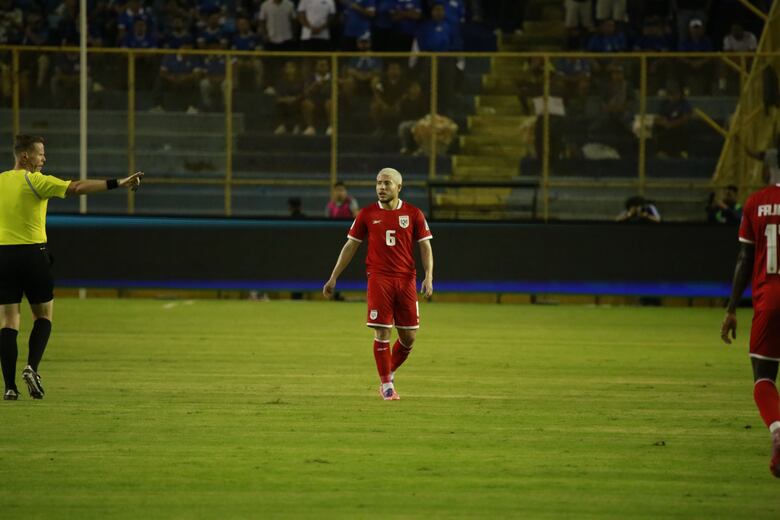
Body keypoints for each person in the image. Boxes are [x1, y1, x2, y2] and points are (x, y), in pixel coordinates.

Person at [0, 135, 143, 401]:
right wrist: (118, 182)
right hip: (33, 254)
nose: (44, 158)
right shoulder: (36, 181)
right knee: (43, 317)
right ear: (25, 157)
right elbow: (76, 187)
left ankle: (9, 387)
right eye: (40, 154)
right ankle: (32, 367)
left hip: (3, 256)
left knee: (8, 322)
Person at [323, 167, 433, 400]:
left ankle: (388, 371)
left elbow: (425, 246)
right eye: (378, 183)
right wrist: (334, 276)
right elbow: (351, 245)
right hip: (379, 279)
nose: (382, 188)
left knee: (409, 337)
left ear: (399, 187)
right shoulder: (366, 214)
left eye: (387, 183)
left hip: (406, 280)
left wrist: (429, 275)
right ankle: (387, 386)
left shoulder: (414, 214)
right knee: (382, 331)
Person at [720, 151, 780, 478]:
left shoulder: (756, 203)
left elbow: (744, 260)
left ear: (771, 169)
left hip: (769, 300)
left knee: (764, 378)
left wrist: (731, 310)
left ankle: (777, 429)